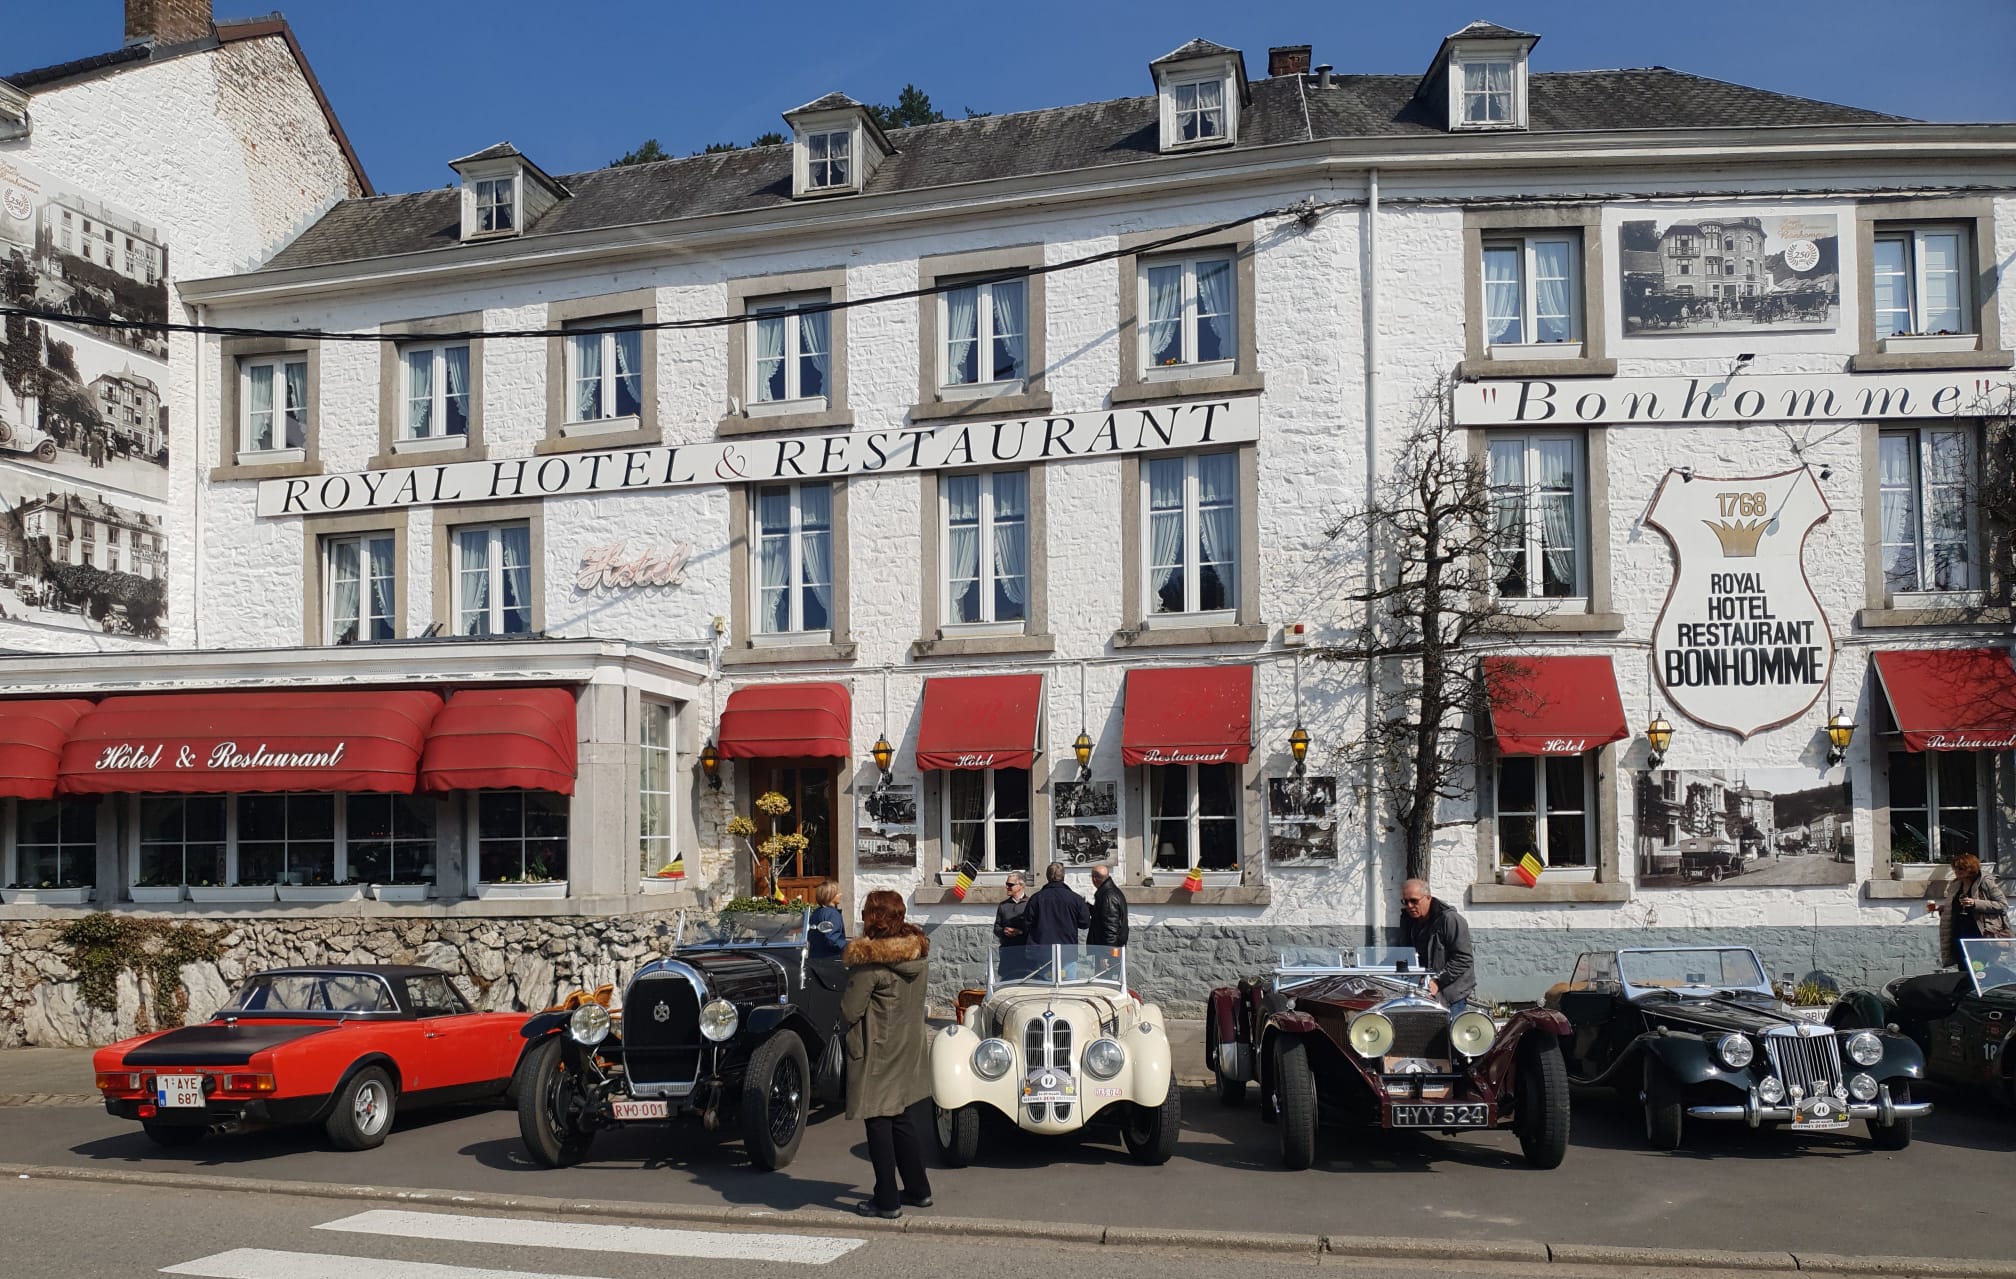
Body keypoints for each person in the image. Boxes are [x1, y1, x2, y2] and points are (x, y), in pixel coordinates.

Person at [840, 889, 933, 1219]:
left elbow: (850, 1012)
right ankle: (919, 1189)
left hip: (878, 1049)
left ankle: (887, 1199)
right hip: (907, 1045)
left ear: (873, 918)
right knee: (900, 1116)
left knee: (878, 1120)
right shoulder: (916, 957)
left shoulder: (871, 966)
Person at [1398, 878, 1475, 1012]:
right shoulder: (1409, 921)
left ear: (1428, 898)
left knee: (1450, 1031)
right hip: (1422, 992)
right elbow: (1403, 954)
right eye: (1406, 901)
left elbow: (1463, 958)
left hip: (1452, 993)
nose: (1409, 906)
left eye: (1414, 901)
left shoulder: (1450, 920)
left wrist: (1438, 981)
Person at [1927, 852, 2008, 968]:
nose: (1957, 871)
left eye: (1961, 868)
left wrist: (1975, 903)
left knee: (1977, 969)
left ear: (1970, 868)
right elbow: (1957, 906)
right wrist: (1944, 908)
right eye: (1955, 868)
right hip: (1959, 933)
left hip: (1978, 936)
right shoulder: (1956, 884)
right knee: (1963, 968)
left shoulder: (1985, 882)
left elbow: (2002, 904)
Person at [1019, 860, 1090, 947]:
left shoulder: (1036, 898)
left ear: (1047, 876)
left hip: (1041, 950)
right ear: (1063, 877)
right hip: (1067, 950)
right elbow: (1085, 923)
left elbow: (1026, 923)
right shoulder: (1075, 899)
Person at [1087, 863, 1129, 948]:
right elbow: (1102, 916)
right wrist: (1088, 907)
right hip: (1105, 948)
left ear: (1094, 879)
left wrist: (1107, 955)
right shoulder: (1109, 892)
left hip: (1106, 951)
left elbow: (1110, 929)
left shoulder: (1108, 897)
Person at [808, 879, 847, 957]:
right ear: (830, 895)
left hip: (815, 956)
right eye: (838, 893)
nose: (841, 894)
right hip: (830, 958)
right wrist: (847, 946)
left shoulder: (816, 912)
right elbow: (832, 939)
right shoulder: (832, 914)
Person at [993, 872, 1029, 946]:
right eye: (1006, 884)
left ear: (1021, 886)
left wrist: (1020, 932)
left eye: (1010, 885)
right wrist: (1004, 931)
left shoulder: (1030, 904)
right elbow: (996, 928)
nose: (1007, 887)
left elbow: (1036, 927)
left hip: (1026, 949)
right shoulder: (1003, 905)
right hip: (1007, 949)